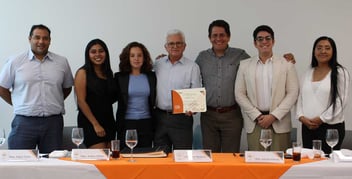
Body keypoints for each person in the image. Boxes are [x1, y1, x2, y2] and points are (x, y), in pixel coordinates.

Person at [196, 20, 296, 153]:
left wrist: (289, 58)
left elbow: (292, 92)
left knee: (232, 158)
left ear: (229, 36)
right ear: (209, 38)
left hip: (232, 115)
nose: (218, 38)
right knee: (210, 157)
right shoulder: (202, 57)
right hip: (209, 116)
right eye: (215, 35)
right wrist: (164, 58)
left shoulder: (241, 56)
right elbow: (194, 81)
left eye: (222, 35)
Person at [0, 24, 74, 153]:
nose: (41, 41)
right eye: (37, 37)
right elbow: (2, 87)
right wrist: (17, 103)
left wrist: (54, 100)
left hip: (53, 123)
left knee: (52, 164)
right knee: (19, 164)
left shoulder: (62, 62)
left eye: (45, 38)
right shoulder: (15, 61)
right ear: (30, 39)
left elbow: (67, 87)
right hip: (24, 122)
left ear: (50, 41)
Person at [235, 25, 299, 151]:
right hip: (255, 122)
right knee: (256, 165)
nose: (264, 42)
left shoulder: (286, 64)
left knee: (280, 164)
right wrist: (256, 115)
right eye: (260, 39)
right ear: (255, 43)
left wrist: (273, 116)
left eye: (267, 38)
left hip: (279, 122)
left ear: (273, 41)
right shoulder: (244, 65)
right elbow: (239, 93)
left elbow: (293, 93)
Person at [296, 36, 350, 154]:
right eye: (319, 48)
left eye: (327, 48)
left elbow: (341, 101)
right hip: (307, 127)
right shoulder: (307, 72)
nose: (323, 51)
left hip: (330, 128)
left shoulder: (340, 72)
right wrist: (301, 117)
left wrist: (321, 119)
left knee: (327, 165)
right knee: (309, 164)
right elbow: (300, 97)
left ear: (333, 51)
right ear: (314, 51)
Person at [154, 29, 202, 152]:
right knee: (160, 157)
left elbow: (196, 95)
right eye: (171, 44)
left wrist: (194, 108)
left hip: (182, 119)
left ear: (184, 46)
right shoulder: (157, 64)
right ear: (166, 47)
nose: (175, 46)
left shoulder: (192, 67)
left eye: (178, 43)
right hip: (159, 118)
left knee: (183, 157)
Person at [75, 39, 117, 149]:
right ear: (88, 55)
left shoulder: (108, 73)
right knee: (100, 158)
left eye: (101, 51)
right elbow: (81, 101)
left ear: (106, 53)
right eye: (93, 52)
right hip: (91, 122)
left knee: (110, 160)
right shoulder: (82, 72)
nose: (97, 54)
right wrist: (95, 124)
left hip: (108, 121)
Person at [114, 41, 156, 149]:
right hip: (127, 124)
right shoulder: (119, 77)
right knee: (127, 158)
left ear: (144, 57)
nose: (136, 59)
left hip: (147, 123)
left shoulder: (151, 76)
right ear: (127, 58)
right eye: (132, 55)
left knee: (145, 157)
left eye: (139, 55)